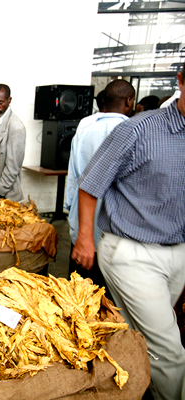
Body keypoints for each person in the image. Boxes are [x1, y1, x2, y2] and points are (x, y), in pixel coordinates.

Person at [72, 65, 185, 400]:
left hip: (177, 249)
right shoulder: (138, 130)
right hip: (132, 252)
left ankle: (126, 387)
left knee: (139, 335)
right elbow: (90, 184)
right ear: (180, 81)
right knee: (169, 351)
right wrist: (84, 239)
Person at [64, 79, 134, 294]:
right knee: (108, 300)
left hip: (82, 225)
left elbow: (73, 176)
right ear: (129, 101)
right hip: (114, 230)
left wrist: (70, 210)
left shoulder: (85, 128)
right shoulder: (133, 132)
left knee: (77, 294)